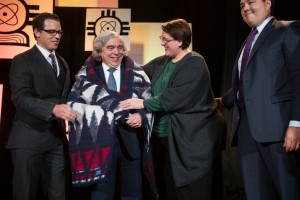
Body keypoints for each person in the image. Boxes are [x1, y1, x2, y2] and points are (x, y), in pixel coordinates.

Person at [119, 18, 227, 200]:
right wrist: (111, 60)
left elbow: (175, 97)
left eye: (166, 39)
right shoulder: (163, 62)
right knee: (166, 186)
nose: (162, 43)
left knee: (189, 188)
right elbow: (136, 72)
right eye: (162, 38)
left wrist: (143, 104)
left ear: (179, 41)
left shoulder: (194, 62)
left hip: (190, 139)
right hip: (163, 137)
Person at [216, 0, 300, 199]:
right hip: (247, 130)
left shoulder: (286, 30)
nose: (245, 8)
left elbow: (298, 79)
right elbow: (246, 81)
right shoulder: (249, 40)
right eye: (241, 4)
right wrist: (222, 101)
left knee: (288, 191)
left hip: (277, 128)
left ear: (268, 3)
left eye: (250, 2)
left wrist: (296, 123)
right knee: (256, 193)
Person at [66, 31, 157, 200]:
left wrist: (140, 115)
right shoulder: (86, 76)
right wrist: (109, 113)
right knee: (101, 195)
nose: (116, 52)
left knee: (133, 195)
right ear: (99, 51)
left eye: (119, 47)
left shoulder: (138, 73)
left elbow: (148, 101)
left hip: (131, 143)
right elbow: (73, 105)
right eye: (110, 48)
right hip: (98, 145)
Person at [7, 12, 77, 200]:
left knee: (58, 195)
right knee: (25, 194)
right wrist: (52, 109)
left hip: (56, 141)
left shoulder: (62, 62)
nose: (57, 36)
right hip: (28, 140)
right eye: (51, 31)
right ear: (37, 32)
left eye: (60, 32)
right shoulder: (22, 60)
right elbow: (20, 98)